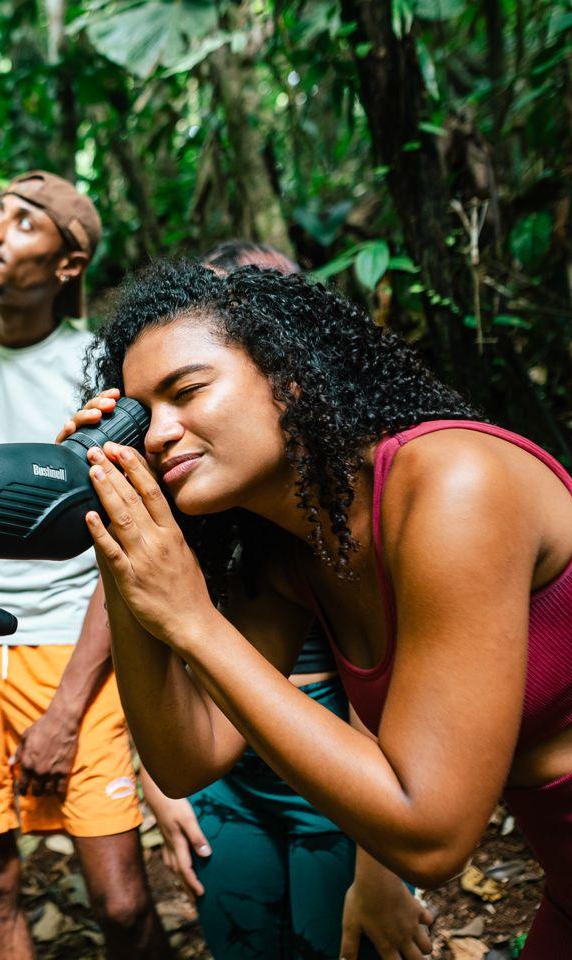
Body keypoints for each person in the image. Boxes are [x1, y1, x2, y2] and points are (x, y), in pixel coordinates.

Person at [63, 260, 572, 958]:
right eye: (140, 416)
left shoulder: (455, 484)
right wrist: (112, 528)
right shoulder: (292, 553)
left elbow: (431, 837)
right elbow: (187, 757)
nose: (157, 435)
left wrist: (192, 621)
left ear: (290, 373)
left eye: (186, 391)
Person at [0, 171, 168, 959]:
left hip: (69, 647)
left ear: (67, 265)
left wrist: (68, 710)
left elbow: (121, 545)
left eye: (23, 222)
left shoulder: (101, 371)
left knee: (119, 900)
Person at [137, 242, 431, 960]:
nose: (163, 425)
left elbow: (380, 679)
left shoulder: (389, 488)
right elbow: (159, 632)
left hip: (335, 744)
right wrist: (155, 776)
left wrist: (379, 865)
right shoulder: (212, 499)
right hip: (227, 754)